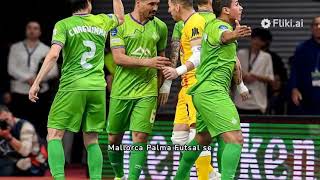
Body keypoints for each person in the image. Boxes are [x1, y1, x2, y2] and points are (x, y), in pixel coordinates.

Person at [28, 0, 125, 179]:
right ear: (88, 3)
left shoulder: (64, 24)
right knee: (92, 139)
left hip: (72, 86)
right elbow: (120, 17)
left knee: (54, 135)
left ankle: (59, 177)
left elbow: (54, 54)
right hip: (97, 88)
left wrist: (37, 82)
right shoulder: (102, 20)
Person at [174, 0, 251, 179]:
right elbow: (224, 36)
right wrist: (234, 34)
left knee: (202, 139)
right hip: (212, 93)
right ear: (225, 10)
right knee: (236, 139)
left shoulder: (214, 26)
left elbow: (232, 60)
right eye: (237, 4)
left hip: (204, 92)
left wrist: (239, 85)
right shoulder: (218, 26)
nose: (240, 8)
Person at [107, 0, 171, 179]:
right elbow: (118, 58)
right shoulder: (119, 24)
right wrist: (148, 62)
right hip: (122, 90)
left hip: (147, 91)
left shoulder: (161, 27)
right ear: (138, 2)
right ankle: (119, 176)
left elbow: (162, 61)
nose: (156, 8)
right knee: (113, 140)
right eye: (151, 3)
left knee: (140, 137)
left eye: (158, 4)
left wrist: (160, 88)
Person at [166, 0, 219, 179]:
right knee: (179, 138)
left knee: (198, 135)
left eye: (169, 5)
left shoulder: (195, 21)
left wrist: (177, 71)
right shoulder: (186, 24)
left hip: (196, 85)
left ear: (177, 6)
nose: (168, 10)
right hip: (185, 86)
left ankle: (206, 174)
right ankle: (208, 171)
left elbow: (199, 55)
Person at [8, 21, 59, 138]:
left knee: (39, 125)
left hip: (40, 93)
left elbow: (54, 71)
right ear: (25, 30)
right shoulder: (15, 48)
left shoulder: (46, 49)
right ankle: (20, 154)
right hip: (19, 92)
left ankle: (40, 154)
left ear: (40, 32)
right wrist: (28, 78)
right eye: (29, 28)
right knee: (18, 126)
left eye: (35, 28)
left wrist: (38, 79)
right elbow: (11, 68)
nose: (32, 30)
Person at [234, 28, 274, 115]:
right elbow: (232, 72)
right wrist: (243, 76)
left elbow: (270, 79)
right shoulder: (240, 53)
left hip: (258, 102)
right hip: (240, 101)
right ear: (251, 38)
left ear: (264, 43)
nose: (257, 42)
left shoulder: (266, 57)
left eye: (261, 40)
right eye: (255, 38)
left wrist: (254, 76)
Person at [0, 105, 47, 176]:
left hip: (32, 163)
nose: (6, 124)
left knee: (6, 171)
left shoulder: (25, 127)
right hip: (12, 160)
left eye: (6, 119)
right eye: (1, 122)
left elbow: (25, 152)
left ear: (11, 114)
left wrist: (9, 138)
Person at [289, 16, 320, 115]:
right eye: (316, 24)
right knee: (309, 125)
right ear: (311, 28)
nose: (318, 27)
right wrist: (294, 88)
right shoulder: (302, 48)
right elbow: (295, 70)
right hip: (307, 93)